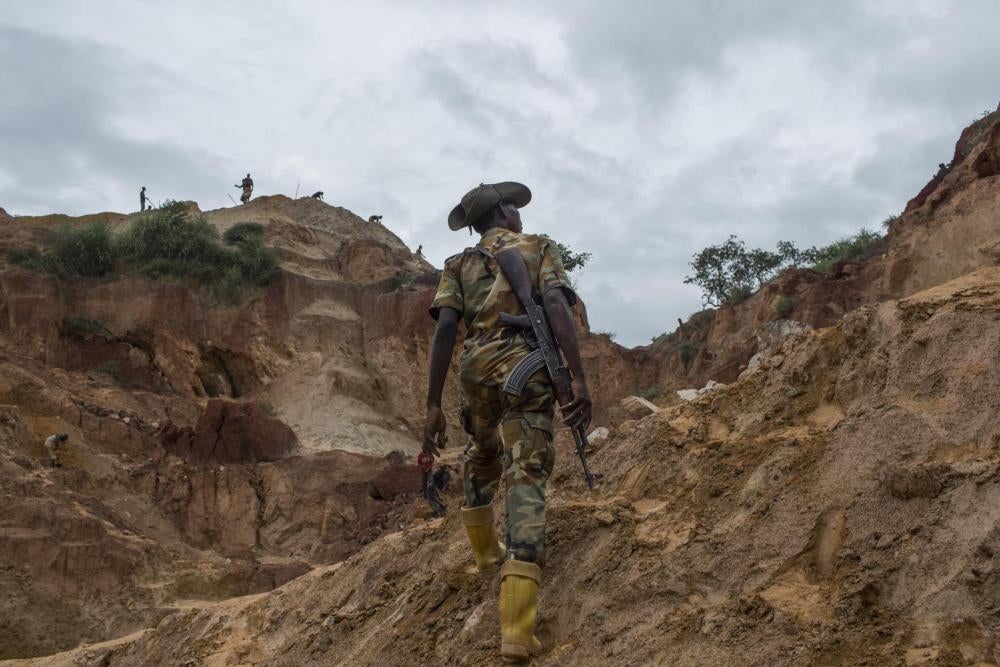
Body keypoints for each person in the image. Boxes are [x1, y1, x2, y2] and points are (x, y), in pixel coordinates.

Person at [423, 181, 591, 661]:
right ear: (503, 210)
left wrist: (433, 405)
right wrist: (577, 379)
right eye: (514, 204)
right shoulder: (537, 248)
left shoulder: (457, 264)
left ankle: (485, 554)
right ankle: (517, 629)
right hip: (527, 369)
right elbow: (557, 306)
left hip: (475, 374)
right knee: (526, 477)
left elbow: (446, 329)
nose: (519, 211)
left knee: (482, 452)